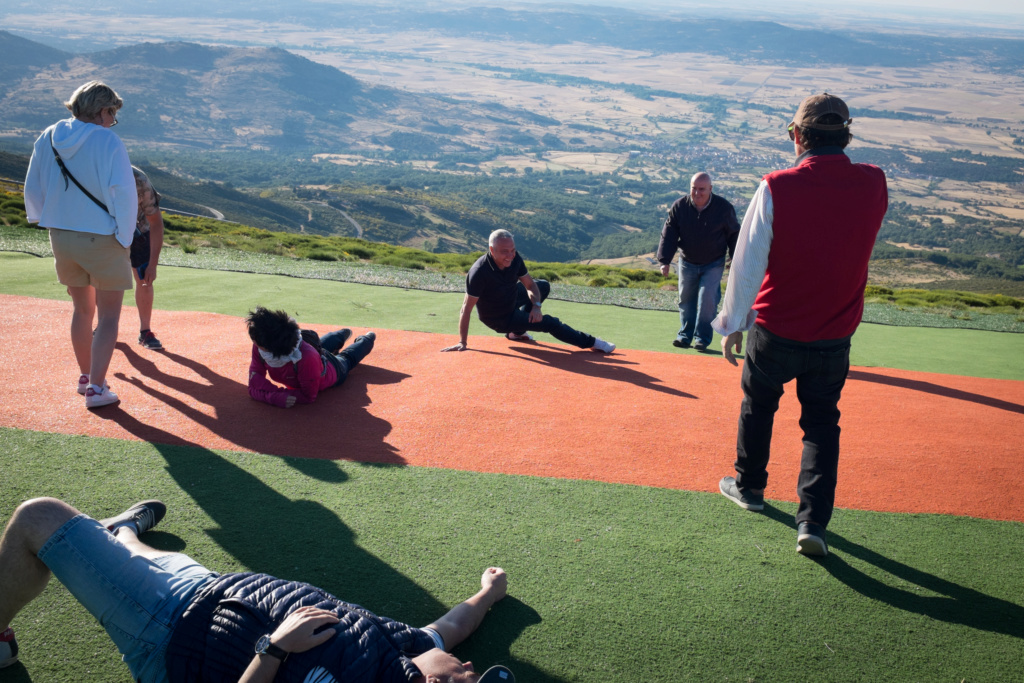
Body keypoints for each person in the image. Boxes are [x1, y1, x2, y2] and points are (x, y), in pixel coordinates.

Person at [0, 498, 514, 682]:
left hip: (171, 631)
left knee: (37, 520)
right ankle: (125, 531)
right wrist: (488, 592)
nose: (470, 665)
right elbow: (454, 626)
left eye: (471, 676)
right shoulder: (410, 649)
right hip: (214, 591)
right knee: (143, 553)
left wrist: (275, 648)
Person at [711, 93, 888, 557]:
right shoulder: (874, 183)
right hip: (835, 334)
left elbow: (748, 264)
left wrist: (731, 323)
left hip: (776, 328)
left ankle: (749, 488)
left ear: (797, 136)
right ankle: (812, 523)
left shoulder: (776, 187)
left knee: (758, 406)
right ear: (846, 135)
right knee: (822, 425)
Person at [23, 81, 138, 409]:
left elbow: (34, 186)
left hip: (60, 235)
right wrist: (124, 237)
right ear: (103, 110)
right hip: (102, 238)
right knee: (109, 317)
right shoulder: (108, 140)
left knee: (81, 310)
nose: (111, 120)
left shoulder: (48, 135)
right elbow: (123, 192)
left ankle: (86, 377)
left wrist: (45, 217)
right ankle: (97, 390)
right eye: (111, 114)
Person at [441, 229, 615, 354]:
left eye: (512, 250)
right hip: (499, 318)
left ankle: (517, 332)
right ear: (492, 250)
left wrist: (536, 306)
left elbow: (531, 286)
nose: (510, 255)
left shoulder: (514, 259)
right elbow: (466, 308)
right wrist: (462, 342)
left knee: (543, 286)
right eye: (504, 252)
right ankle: (592, 342)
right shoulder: (479, 272)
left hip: (510, 298)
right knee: (550, 323)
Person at [656, 172, 740, 351]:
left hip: (713, 263)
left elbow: (734, 235)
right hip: (687, 262)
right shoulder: (680, 206)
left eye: (702, 189)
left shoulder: (724, 208)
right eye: (694, 188)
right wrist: (664, 260)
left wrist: (734, 259)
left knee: (708, 300)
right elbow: (669, 233)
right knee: (685, 300)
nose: (697, 193)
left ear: (710, 189)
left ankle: (702, 338)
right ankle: (684, 336)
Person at [247, 306, 376, 408]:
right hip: (314, 358)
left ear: (269, 346)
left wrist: (270, 393)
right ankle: (341, 335)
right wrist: (273, 397)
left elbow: (308, 396)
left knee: (347, 358)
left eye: (255, 341)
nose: (254, 343)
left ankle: (367, 339)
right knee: (321, 347)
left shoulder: (306, 357)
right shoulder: (261, 346)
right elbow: (253, 386)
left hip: (333, 370)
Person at [130, 166, 166, 350]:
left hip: (139, 232)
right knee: (101, 279)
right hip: (105, 234)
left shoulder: (139, 180)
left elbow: (156, 223)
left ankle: (145, 332)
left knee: (145, 280)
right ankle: (101, 326)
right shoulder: (93, 174)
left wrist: (153, 264)